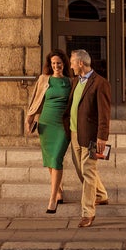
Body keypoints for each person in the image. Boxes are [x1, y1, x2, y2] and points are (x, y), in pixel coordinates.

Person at [66, 49, 111, 228]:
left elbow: (104, 113)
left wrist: (102, 136)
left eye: (72, 63)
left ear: (80, 63)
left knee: (88, 171)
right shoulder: (76, 81)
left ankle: (87, 213)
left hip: (91, 135)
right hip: (74, 133)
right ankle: (101, 195)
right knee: (81, 170)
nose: (71, 66)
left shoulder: (100, 83)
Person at [24, 49, 71, 214]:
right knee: (50, 159)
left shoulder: (70, 81)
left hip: (62, 125)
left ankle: (52, 199)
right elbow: (35, 99)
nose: (56, 66)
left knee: (57, 157)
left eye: (59, 63)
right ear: (50, 65)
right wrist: (29, 119)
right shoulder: (44, 79)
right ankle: (58, 191)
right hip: (46, 123)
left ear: (64, 64)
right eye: (53, 63)